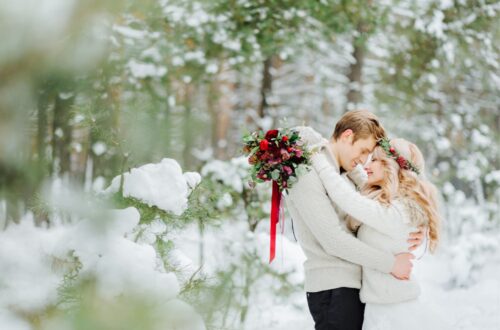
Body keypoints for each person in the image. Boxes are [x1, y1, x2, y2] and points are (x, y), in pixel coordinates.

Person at [284, 110, 424, 330]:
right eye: (364, 150)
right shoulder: (308, 173)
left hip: (353, 287)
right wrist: (391, 264)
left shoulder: (342, 173)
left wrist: (412, 229)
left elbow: (381, 207)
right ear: (347, 136)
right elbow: (333, 240)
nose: (364, 159)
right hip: (333, 289)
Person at [311, 137, 450, 329]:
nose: (367, 164)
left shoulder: (402, 210)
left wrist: (318, 159)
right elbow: (356, 186)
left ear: (392, 166)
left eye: (375, 159)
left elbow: (347, 199)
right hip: (380, 308)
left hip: (396, 312)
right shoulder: (388, 203)